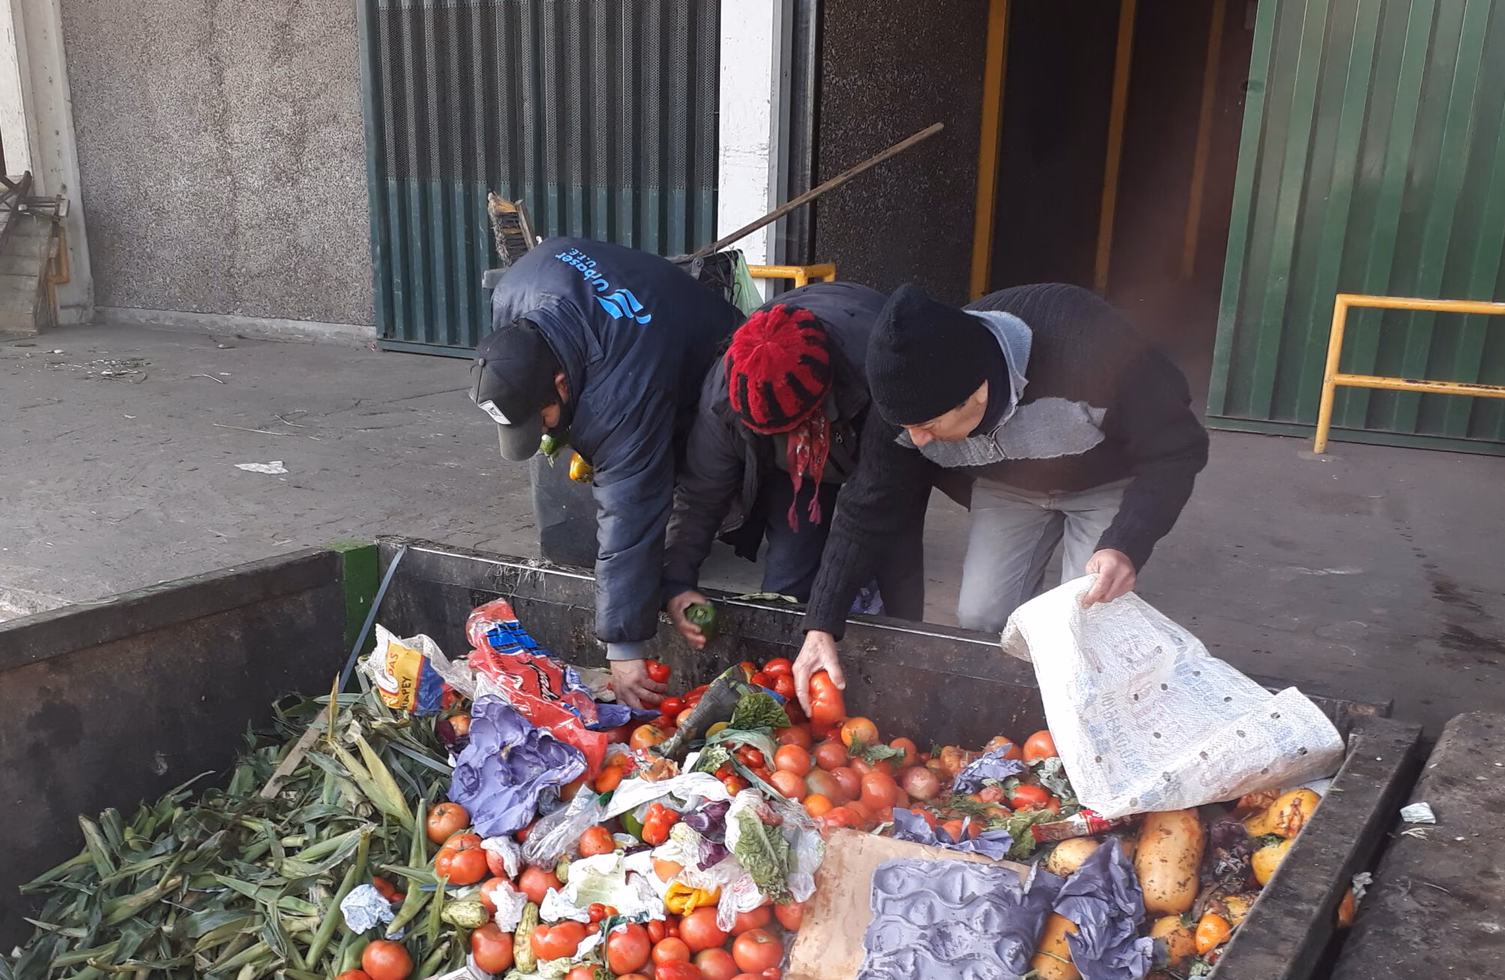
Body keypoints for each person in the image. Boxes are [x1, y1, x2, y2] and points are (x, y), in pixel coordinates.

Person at [793, 281, 1207, 707]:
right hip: (1010, 485)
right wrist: (822, 622)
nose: (917, 442)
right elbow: (866, 506)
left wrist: (1126, 544)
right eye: (909, 427)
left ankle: (1077, 722)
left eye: (931, 426)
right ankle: (1005, 711)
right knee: (981, 616)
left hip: (1106, 477)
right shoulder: (908, 407)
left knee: (1084, 628)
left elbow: (1177, 448)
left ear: (980, 393)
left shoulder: (1087, 347)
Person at [469, 236, 740, 708]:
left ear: (559, 381)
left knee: (685, 476)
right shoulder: (512, 298)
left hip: (716, 357)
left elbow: (631, 507)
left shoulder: (622, 390)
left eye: (543, 416)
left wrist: (624, 648)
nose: (546, 430)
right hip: (647, 320)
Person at [661, 282, 971, 645]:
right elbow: (699, 496)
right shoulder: (725, 400)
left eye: (796, 429)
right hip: (794, 473)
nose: (793, 440)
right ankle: (790, 663)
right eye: (777, 433)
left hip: (868, 415)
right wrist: (677, 582)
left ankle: (898, 653)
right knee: (788, 577)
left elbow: (873, 506)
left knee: (893, 556)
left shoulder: (881, 372)